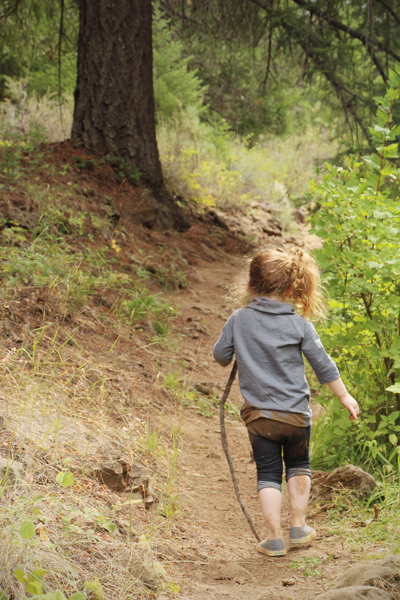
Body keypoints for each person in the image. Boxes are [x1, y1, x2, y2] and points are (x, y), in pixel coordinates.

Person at [213, 248, 359, 557]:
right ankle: (298, 526)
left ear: (251, 286)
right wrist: (344, 396)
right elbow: (324, 366)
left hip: (260, 418)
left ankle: (274, 538)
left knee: (267, 474)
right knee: (298, 466)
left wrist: (242, 343)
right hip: (296, 417)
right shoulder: (300, 324)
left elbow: (221, 356)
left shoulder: (239, 319)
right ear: (292, 288)